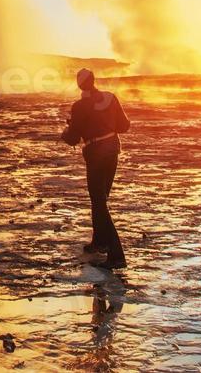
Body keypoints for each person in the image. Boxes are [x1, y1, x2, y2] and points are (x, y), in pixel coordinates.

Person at [60, 68, 130, 269]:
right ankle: (99, 242)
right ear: (93, 80)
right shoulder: (110, 97)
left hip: (96, 153)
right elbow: (124, 126)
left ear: (80, 85)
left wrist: (66, 132)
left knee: (99, 202)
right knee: (100, 199)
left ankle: (117, 255)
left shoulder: (80, 106)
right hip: (113, 150)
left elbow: (73, 137)